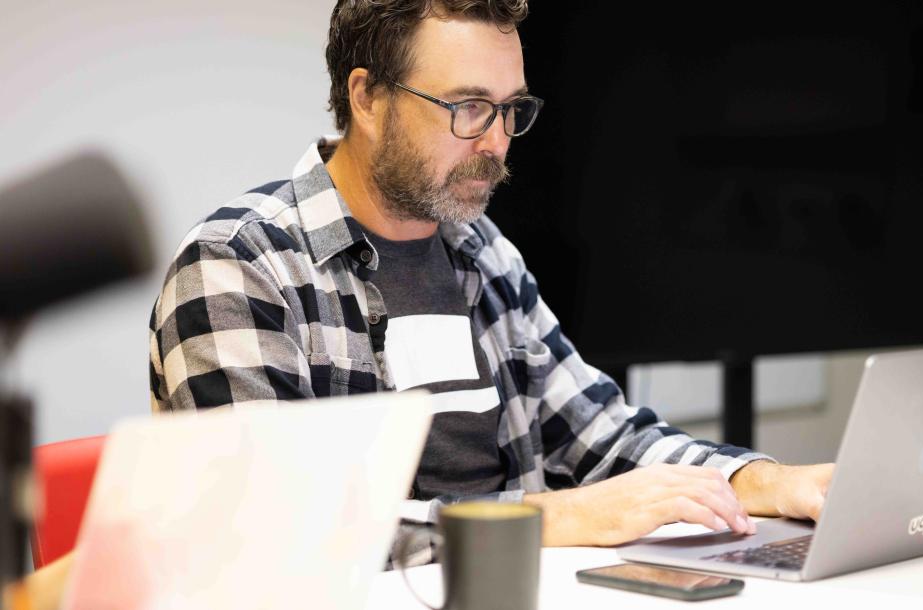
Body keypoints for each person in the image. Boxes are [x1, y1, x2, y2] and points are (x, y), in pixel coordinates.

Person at [148, 0, 833, 558]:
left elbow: (601, 434)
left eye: (511, 109)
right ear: (367, 97)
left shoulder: (480, 250)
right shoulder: (239, 265)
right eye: (468, 107)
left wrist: (763, 482)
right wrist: (554, 519)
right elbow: (281, 531)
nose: (496, 142)